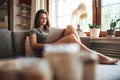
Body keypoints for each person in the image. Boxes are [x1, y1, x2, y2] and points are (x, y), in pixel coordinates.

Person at [29, 9, 118, 64]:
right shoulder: (34, 30)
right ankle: (97, 56)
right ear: (37, 19)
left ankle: (81, 54)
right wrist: (51, 44)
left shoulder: (48, 30)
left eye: (45, 18)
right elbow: (34, 45)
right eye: (42, 18)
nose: (44, 20)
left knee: (69, 27)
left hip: (55, 45)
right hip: (47, 50)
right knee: (71, 37)